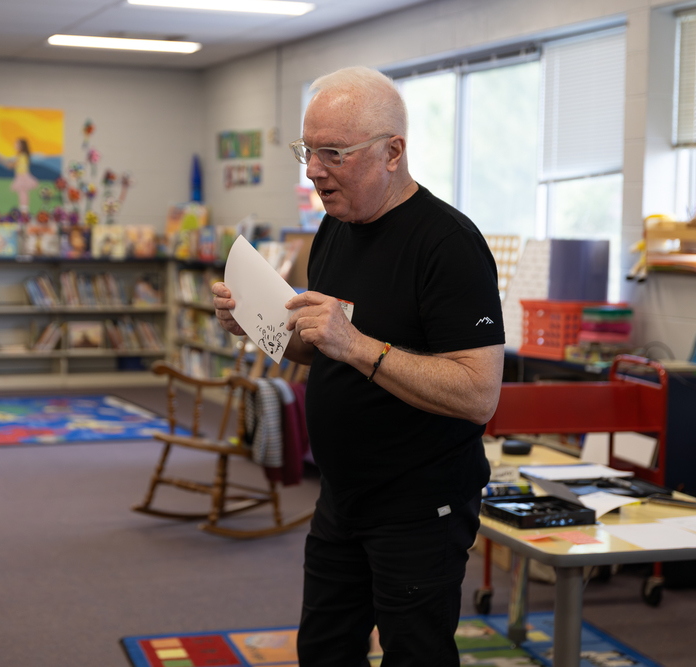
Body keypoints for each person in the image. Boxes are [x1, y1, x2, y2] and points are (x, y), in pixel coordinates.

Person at [212, 65, 505, 667]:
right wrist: (260, 328)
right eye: (308, 150)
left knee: (414, 654)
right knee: (323, 650)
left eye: (333, 153)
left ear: (393, 152)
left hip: (420, 501)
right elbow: (318, 348)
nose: (314, 170)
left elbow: (479, 394)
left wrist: (356, 345)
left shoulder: (448, 244)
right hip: (343, 494)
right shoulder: (335, 225)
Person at [5, 138, 39, 213]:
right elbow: (12, 165)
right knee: (22, 192)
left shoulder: (21, 155)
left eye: (17, 144)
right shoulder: (21, 155)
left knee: (23, 192)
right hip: (21, 175)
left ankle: (24, 209)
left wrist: (8, 163)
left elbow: (13, 165)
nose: (15, 145)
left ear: (21, 146)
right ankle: (23, 208)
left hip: (22, 176)